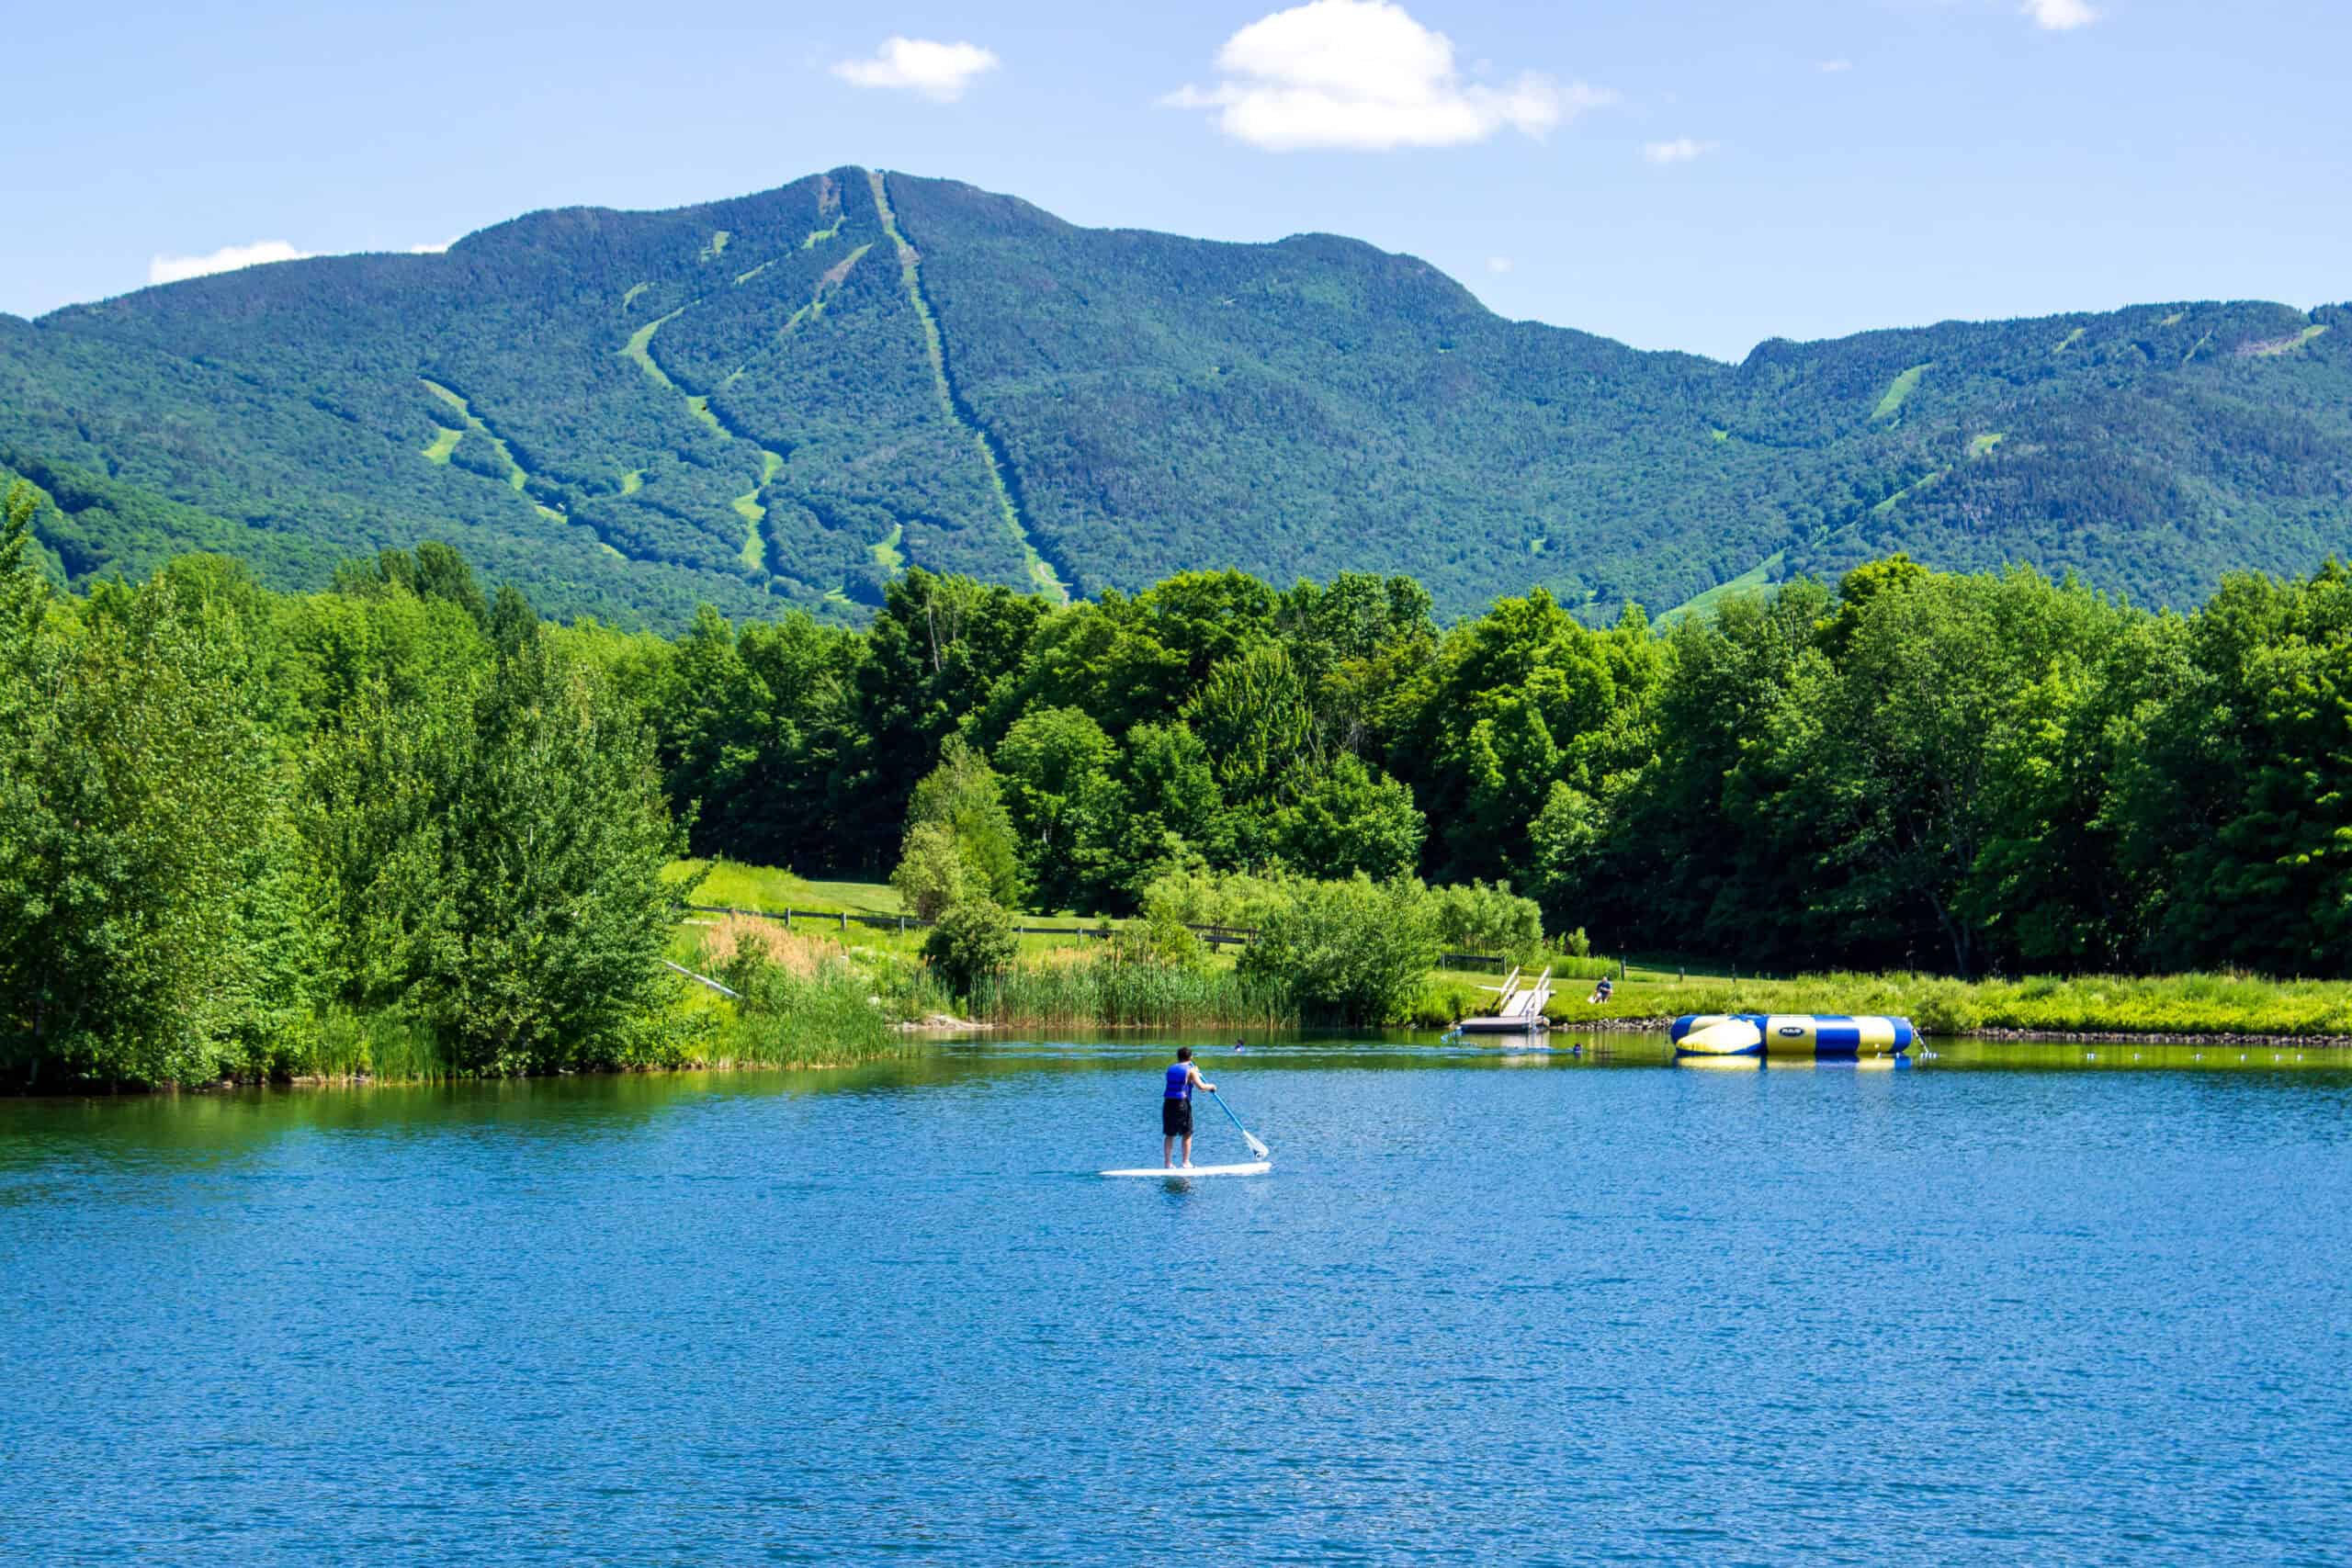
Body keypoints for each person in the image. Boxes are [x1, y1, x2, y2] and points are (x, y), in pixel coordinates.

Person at [1162, 1046, 1216, 1168]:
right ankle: (1186, 1163)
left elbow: (1183, 1082)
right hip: (1182, 1103)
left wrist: (1194, 1074)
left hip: (1168, 1103)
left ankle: (1168, 1163)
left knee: (1170, 1134)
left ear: (1178, 1057)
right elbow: (1202, 1087)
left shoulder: (1170, 1069)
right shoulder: (1190, 1071)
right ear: (1191, 1057)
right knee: (1187, 1133)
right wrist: (1212, 1086)